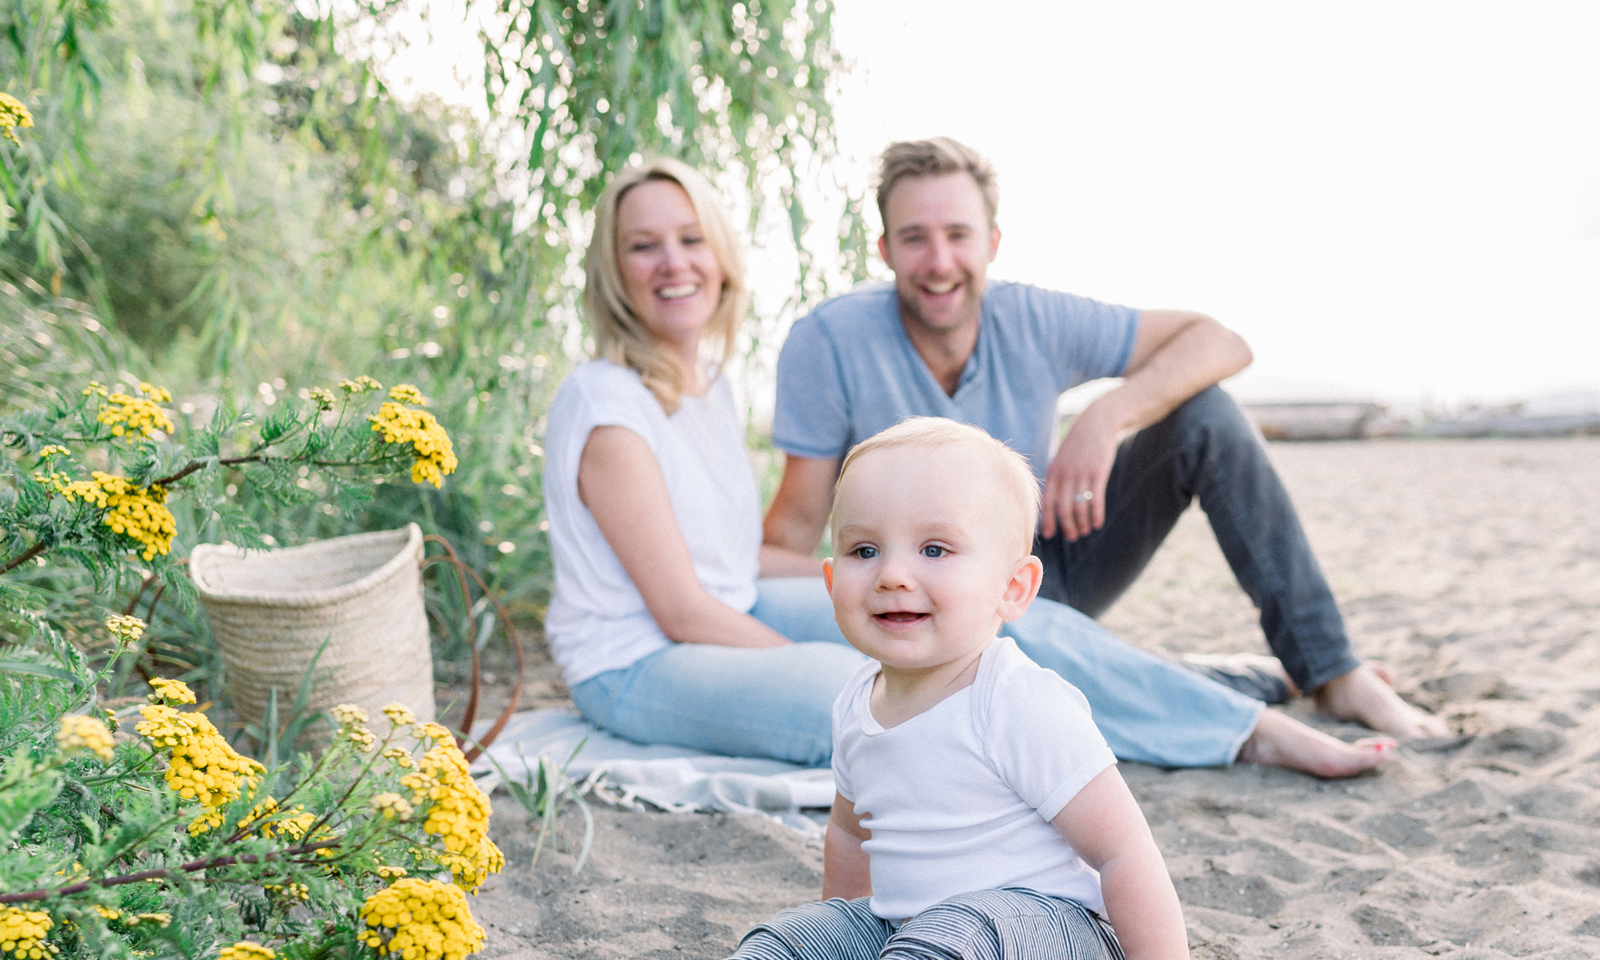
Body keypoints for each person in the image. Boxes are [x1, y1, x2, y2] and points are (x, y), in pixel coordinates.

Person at [524, 420, 1253, 960]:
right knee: (797, 939)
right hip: (913, 941)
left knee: (963, 929)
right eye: (865, 549)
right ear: (833, 580)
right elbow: (850, 830)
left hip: (1055, 956)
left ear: (1013, 588)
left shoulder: (1017, 700)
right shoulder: (854, 700)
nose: (895, 573)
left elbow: (1126, 851)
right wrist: (840, 949)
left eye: (935, 549)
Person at [542, 157, 1392, 778]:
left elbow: (737, 566)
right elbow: (685, 605)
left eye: (690, 239)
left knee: (998, 632)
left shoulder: (705, 386)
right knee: (887, 691)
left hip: (784, 597)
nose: (673, 262)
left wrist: (1101, 418)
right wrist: (861, 643)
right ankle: (1224, 710)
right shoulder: (610, 407)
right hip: (637, 658)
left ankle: (1255, 724)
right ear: (613, 270)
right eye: (644, 246)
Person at [764, 136, 1446, 742]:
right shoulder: (828, 343)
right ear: (884, 250)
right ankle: (1247, 682)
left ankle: (1332, 670)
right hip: (928, 594)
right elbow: (789, 531)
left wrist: (1107, 416)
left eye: (958, 235)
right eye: (914, 238)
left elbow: (1219, 341)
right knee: (1046, 675)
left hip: (1043, 567)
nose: (940, 261)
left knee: (1204, 414)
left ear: (992, 243)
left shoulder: (1033, 317)